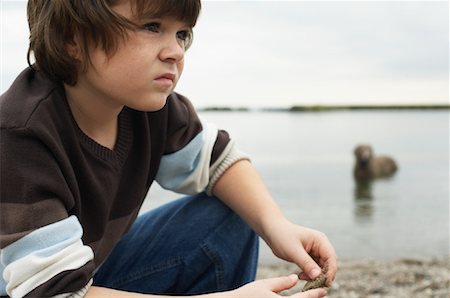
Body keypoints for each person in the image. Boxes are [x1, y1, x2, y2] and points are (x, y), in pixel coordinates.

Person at [0, 0, 337, 297]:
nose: (175, 51)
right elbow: (53, 292)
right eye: (152, 26)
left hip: (88, 272)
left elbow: (217, 161)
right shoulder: (21, 135)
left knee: (230, 213)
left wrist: (277, 226)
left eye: (182, 34)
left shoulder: (150, 108)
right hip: (30, 289)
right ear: (72, 36)